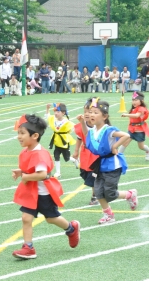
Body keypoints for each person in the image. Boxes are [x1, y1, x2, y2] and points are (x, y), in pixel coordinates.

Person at [11, 114, 80, 259]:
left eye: (22, 133)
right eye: (18, 133)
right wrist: (22, 171)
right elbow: (31, 169)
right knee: (26, 218)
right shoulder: (27, 150)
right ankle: (28, 247)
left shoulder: (40, 154)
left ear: (35, 135)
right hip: (31, 193)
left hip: (43, 194)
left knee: (51, 218)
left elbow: (42, 174)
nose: (19, 136)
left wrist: (26, 176)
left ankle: (71, 228)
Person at [78, 98, 137, 224]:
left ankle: (129, 194)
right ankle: (108, 215)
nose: (91, 114)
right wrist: (82, 122)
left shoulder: (109, 130)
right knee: (98, 192)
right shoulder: (93, 130)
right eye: (91, 112)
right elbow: (86, 135)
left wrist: (114, 147)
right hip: (101, 165)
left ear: (104, 116)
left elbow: (126, 136)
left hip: (112, 165)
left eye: (95, 112)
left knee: (109, 193)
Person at [73, 98, 99, 205]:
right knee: (85, 174)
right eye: (85, 112)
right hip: (85, 154)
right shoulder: (81, 125)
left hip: (95, 154)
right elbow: (79, 138)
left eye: (90, 112)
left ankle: (95, 196)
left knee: (93, 176)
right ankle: (97, 192)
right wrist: (76, 151)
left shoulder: (98, 126)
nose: (87, 114)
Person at [45, 103, 79, 177]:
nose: (55, 113)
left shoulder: (67, 122)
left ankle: (75, 160)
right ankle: (58, 172)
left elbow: (75, 128)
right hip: (57, 141)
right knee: (56, 155)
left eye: (58, 112)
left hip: (64, 142)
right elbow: (48, 117)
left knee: (67, 158)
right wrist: (47, 109)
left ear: (63, 113)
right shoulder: (54, 119)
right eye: (55, 111)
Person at [119, 91, 149, 161]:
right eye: (133, 100)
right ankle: (117, 156)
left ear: (141, 101)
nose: (134, 102)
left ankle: (148, 151)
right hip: (131, 129)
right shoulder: (133, 108)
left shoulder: (141, 108)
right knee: (125, 142)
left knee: (141, 147)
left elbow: (136, 116)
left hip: (139, 130)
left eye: (136, 100)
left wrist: (126, 115)